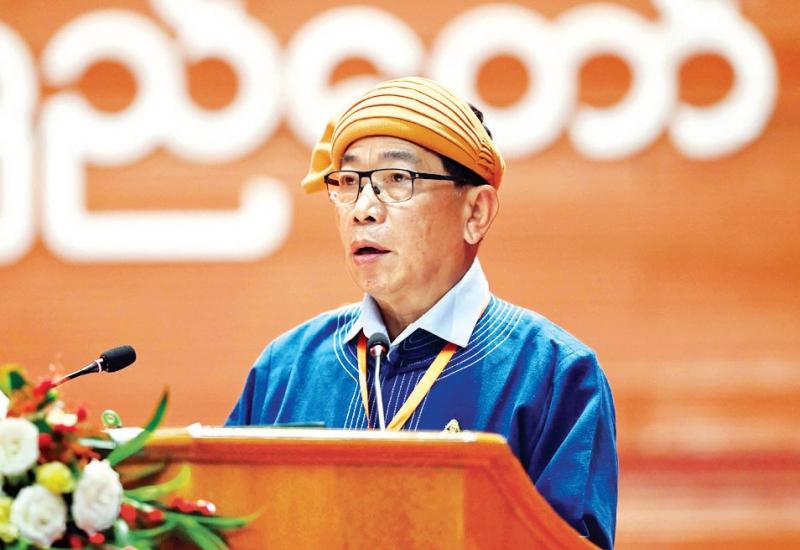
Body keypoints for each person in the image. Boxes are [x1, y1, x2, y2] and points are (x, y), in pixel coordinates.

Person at [226, 77, 617, 548]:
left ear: (475, 212)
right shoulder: (286, 369)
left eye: (397, 179)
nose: (363, 209)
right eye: (347, 183)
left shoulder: (555, 376)